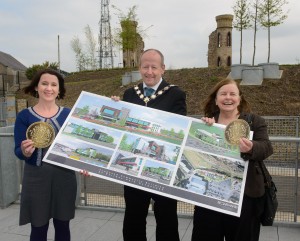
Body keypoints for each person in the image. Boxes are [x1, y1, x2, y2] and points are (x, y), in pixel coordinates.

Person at [191, 78, 273, 241]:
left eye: (232, 94)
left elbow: (267, 147)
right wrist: (202, 128)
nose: (228, 98)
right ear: (216, 99)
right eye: (223, 94)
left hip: (245, 199)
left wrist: (251, 147)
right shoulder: (208, 123)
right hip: (210, 196)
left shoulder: (254, 121)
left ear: (239, 98)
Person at [122, 49, 187, 241]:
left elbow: (179, 129)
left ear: (163, 69)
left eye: (154, 67)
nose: (149, 72)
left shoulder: (176, 94)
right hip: (134, 168)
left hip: (163, 168)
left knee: (166, 219)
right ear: (139, 68)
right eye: (145, 67)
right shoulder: (129, 93)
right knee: (133, 218)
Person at [14, 69, 77, 241]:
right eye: (44, 83)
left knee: (63, 226)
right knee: (38, 227)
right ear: (36, 87)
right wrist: (25, 152)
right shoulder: (24, 116)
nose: (49, 88)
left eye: (54, 84)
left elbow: (78, 147)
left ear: (59, 90)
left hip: (64, 177)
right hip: (36, 178)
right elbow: (18, 151)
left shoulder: (68, 114)